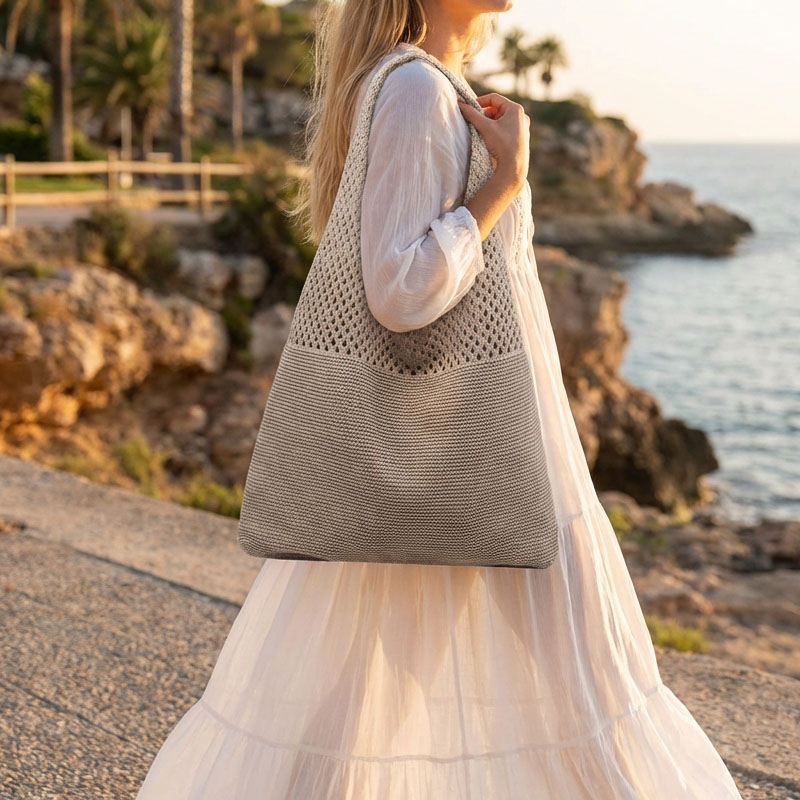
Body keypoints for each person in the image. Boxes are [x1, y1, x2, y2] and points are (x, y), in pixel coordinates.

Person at [137, 1, 745, 797]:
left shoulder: (431, 86)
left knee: (352, 694)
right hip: (493, 438)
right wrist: (503, 186)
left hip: (487, 428)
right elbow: (399, 288)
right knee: (592, 674)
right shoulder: (416, 91)